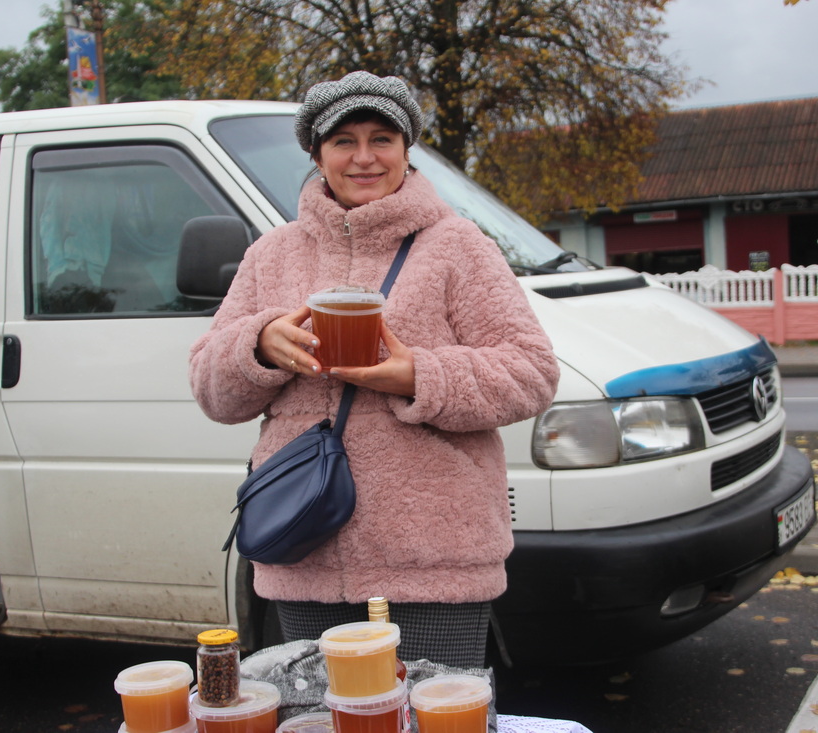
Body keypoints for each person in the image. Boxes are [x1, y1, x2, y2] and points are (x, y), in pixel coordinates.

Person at [189, 71, 560, 668]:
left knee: (432, 709)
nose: (364, 157)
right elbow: (211, 391)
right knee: (320, 711)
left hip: (434, 563)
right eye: (344, 141)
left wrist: (419, 376)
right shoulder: (271, 254)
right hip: (303, 549)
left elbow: (531, 372)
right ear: (317, 156)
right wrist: (257, 346)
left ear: (406, 150)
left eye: (382, 139)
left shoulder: (457, 246)